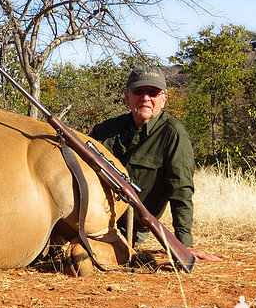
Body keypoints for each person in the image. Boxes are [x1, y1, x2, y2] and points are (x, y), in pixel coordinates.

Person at [90, 66, 221, 262]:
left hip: (129, 228)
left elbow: (181, 191)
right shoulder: (105, 130)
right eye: (139, 92)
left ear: (163, 99)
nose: (145, 98)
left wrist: (184, 245)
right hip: (93, 215)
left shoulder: (174, 134)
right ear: (127, 97)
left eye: (153, 93)